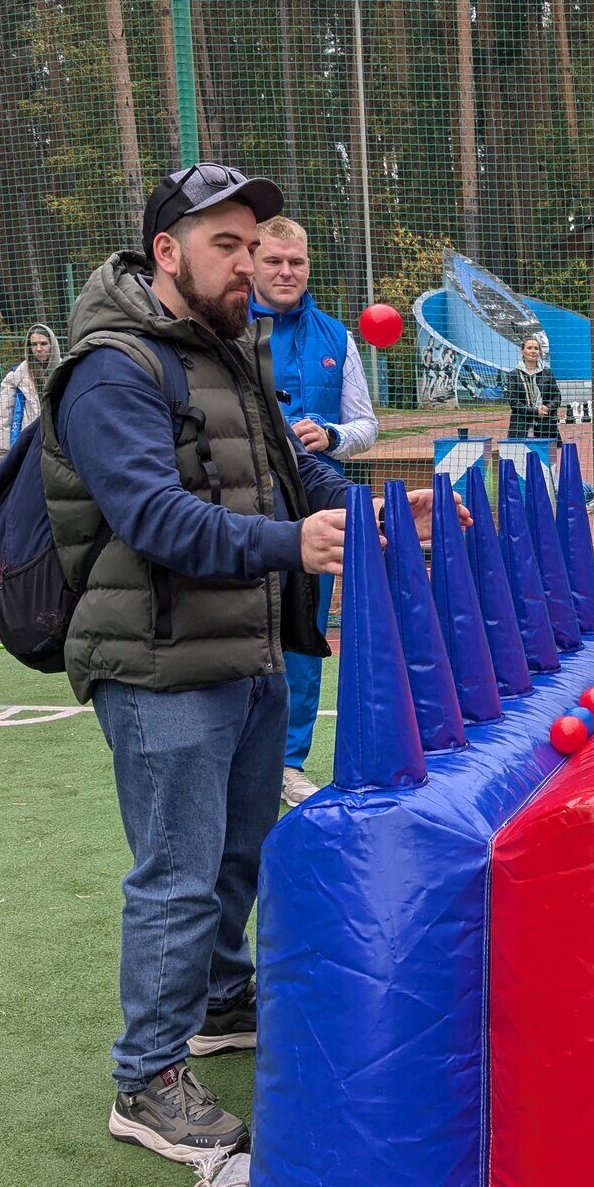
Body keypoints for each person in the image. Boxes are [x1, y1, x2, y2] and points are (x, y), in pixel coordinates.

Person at [41, 162, 458, 1162]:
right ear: (167, 255)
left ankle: (222, 1002)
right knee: (179, 875)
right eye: (226, 245)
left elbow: (290, 468)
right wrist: (294, 546)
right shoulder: (110, 369)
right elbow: (153, 518)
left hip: (244, 645)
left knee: (237, 850)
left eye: (253, 242)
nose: (249, 263)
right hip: (159, 659)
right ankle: (146, 1080)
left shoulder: (230, 351)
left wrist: (369, 509)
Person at [247, 216, 379, 809]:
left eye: (296, 262)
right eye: (274, 261)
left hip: (320, 510)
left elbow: (367, 426)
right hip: (245, 510)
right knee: (244, 627)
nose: (285, 272)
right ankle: (241, 753)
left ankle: (288, 763)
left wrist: (330, 434)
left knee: (305, 635)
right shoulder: (223, 332)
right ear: (252, 263)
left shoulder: (336, 337)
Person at [0, 324, 59, 450]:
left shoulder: (64, 371)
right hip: (29, 440)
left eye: (43, 343)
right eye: (34, 344)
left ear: (52, 345)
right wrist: (2, 448)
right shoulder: (17, 376)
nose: (38, 349)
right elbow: (4, 412)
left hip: (59, 439)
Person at [500, 333, 562, 442]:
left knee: (547, 456)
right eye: (529, 348)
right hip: (520, 426)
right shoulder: (513, 375)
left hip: (545, 424)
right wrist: (534, 411)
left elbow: (557, 397)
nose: (533, 351)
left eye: (536, 348)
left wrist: (547, 407)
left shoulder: (547, 372)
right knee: (520, 455)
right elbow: (514, 402)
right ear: (522, 351)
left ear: (539, 352)